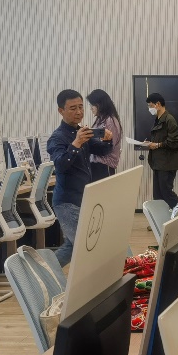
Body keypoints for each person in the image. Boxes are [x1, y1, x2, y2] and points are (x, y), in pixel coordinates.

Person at [47, 88, 113, 266]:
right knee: (86, 246)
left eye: (81, 107)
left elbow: (102, 151)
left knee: (72, 246)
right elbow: (60, 165)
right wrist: (76, 143)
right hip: (67, 202)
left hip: (83, 198)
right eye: (73, 108)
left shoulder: (82, 132)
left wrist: (107, 140)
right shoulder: (57, 138)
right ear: (61, 111)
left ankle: (42, 275)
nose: (79, 112)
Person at [144, 92, 178, 210]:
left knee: (166, 192)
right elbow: (159, 139)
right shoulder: (158, 119)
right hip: (158, 163)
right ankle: (163, 219)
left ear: (158, 104)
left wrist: (156, 145)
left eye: (150, 105)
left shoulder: (169, 119)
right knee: (158, 195)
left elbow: (174, 142)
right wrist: (149, 143)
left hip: (167, 163)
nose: (149, 108)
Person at [86, 88, 122, 181]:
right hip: (95, 165)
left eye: (92, 105)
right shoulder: (100, 119)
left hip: (104, 166)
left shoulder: (110, 120)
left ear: (99, 104)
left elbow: (107, 147)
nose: (91, 108)